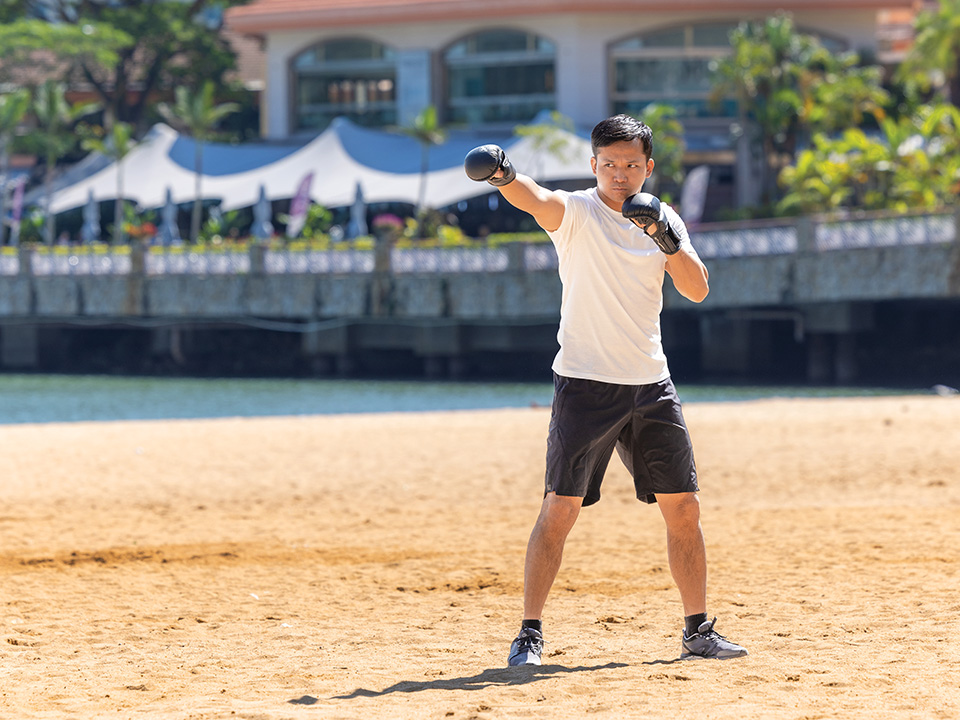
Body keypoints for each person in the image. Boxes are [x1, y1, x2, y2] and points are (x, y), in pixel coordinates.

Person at [463, 114, 747, 665]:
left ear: (648, 167)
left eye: (631, 165)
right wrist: (502, 174)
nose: (621, 174)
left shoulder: (663, 217)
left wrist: (664, 238)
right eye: (610, 164)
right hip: (586, 384)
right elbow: (535, 200)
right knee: (560, 508)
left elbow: (697, 288)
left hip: (651, 384)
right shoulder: (577, 212)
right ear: (594, 165)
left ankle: (697, 630)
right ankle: (529, 633)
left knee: (683, 507)